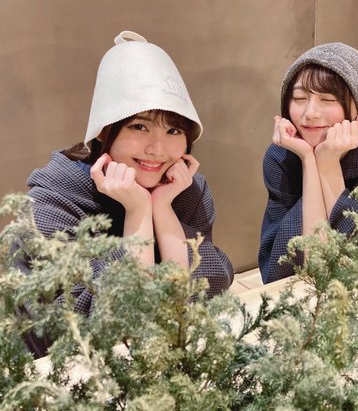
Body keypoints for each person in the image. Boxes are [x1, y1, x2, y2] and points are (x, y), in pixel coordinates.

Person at [16, 31, 233, 354]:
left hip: (164, 360)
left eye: (173, 130)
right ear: (104, 130)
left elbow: (203, 294)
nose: (157, 149)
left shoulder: (186, 189)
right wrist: (138, 213)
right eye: (139, 126)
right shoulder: (53, 201)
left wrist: (162, 209)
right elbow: (78, 333)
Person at [259, 42, 358, 284]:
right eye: (299, 97)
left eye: (327, 99)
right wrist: (309, 160)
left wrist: (329, 165)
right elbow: (281, 268)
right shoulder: (283, 155)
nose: (310, 113)